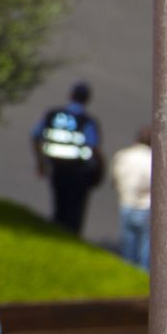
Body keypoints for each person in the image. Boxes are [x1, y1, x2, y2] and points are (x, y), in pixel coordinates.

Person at [33, 83, 105, 239]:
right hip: (79, 172)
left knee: (60, 206)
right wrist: (100, 170)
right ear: (87, 99)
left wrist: (40, 162)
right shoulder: (86, 121)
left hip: (57, 168)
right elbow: (93, 147)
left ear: (71, 95)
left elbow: (36, 136)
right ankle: (70, 238)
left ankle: (58, 235)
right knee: (75, 212)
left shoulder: (52, 115)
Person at [112, 126, 158, 270]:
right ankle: (145, 278)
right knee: (146, 248)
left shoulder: (123, 155)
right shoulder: (153, 159)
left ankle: (127, 272)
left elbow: (115, 178)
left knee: (128, 244)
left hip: (126, 203)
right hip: (146, 206)